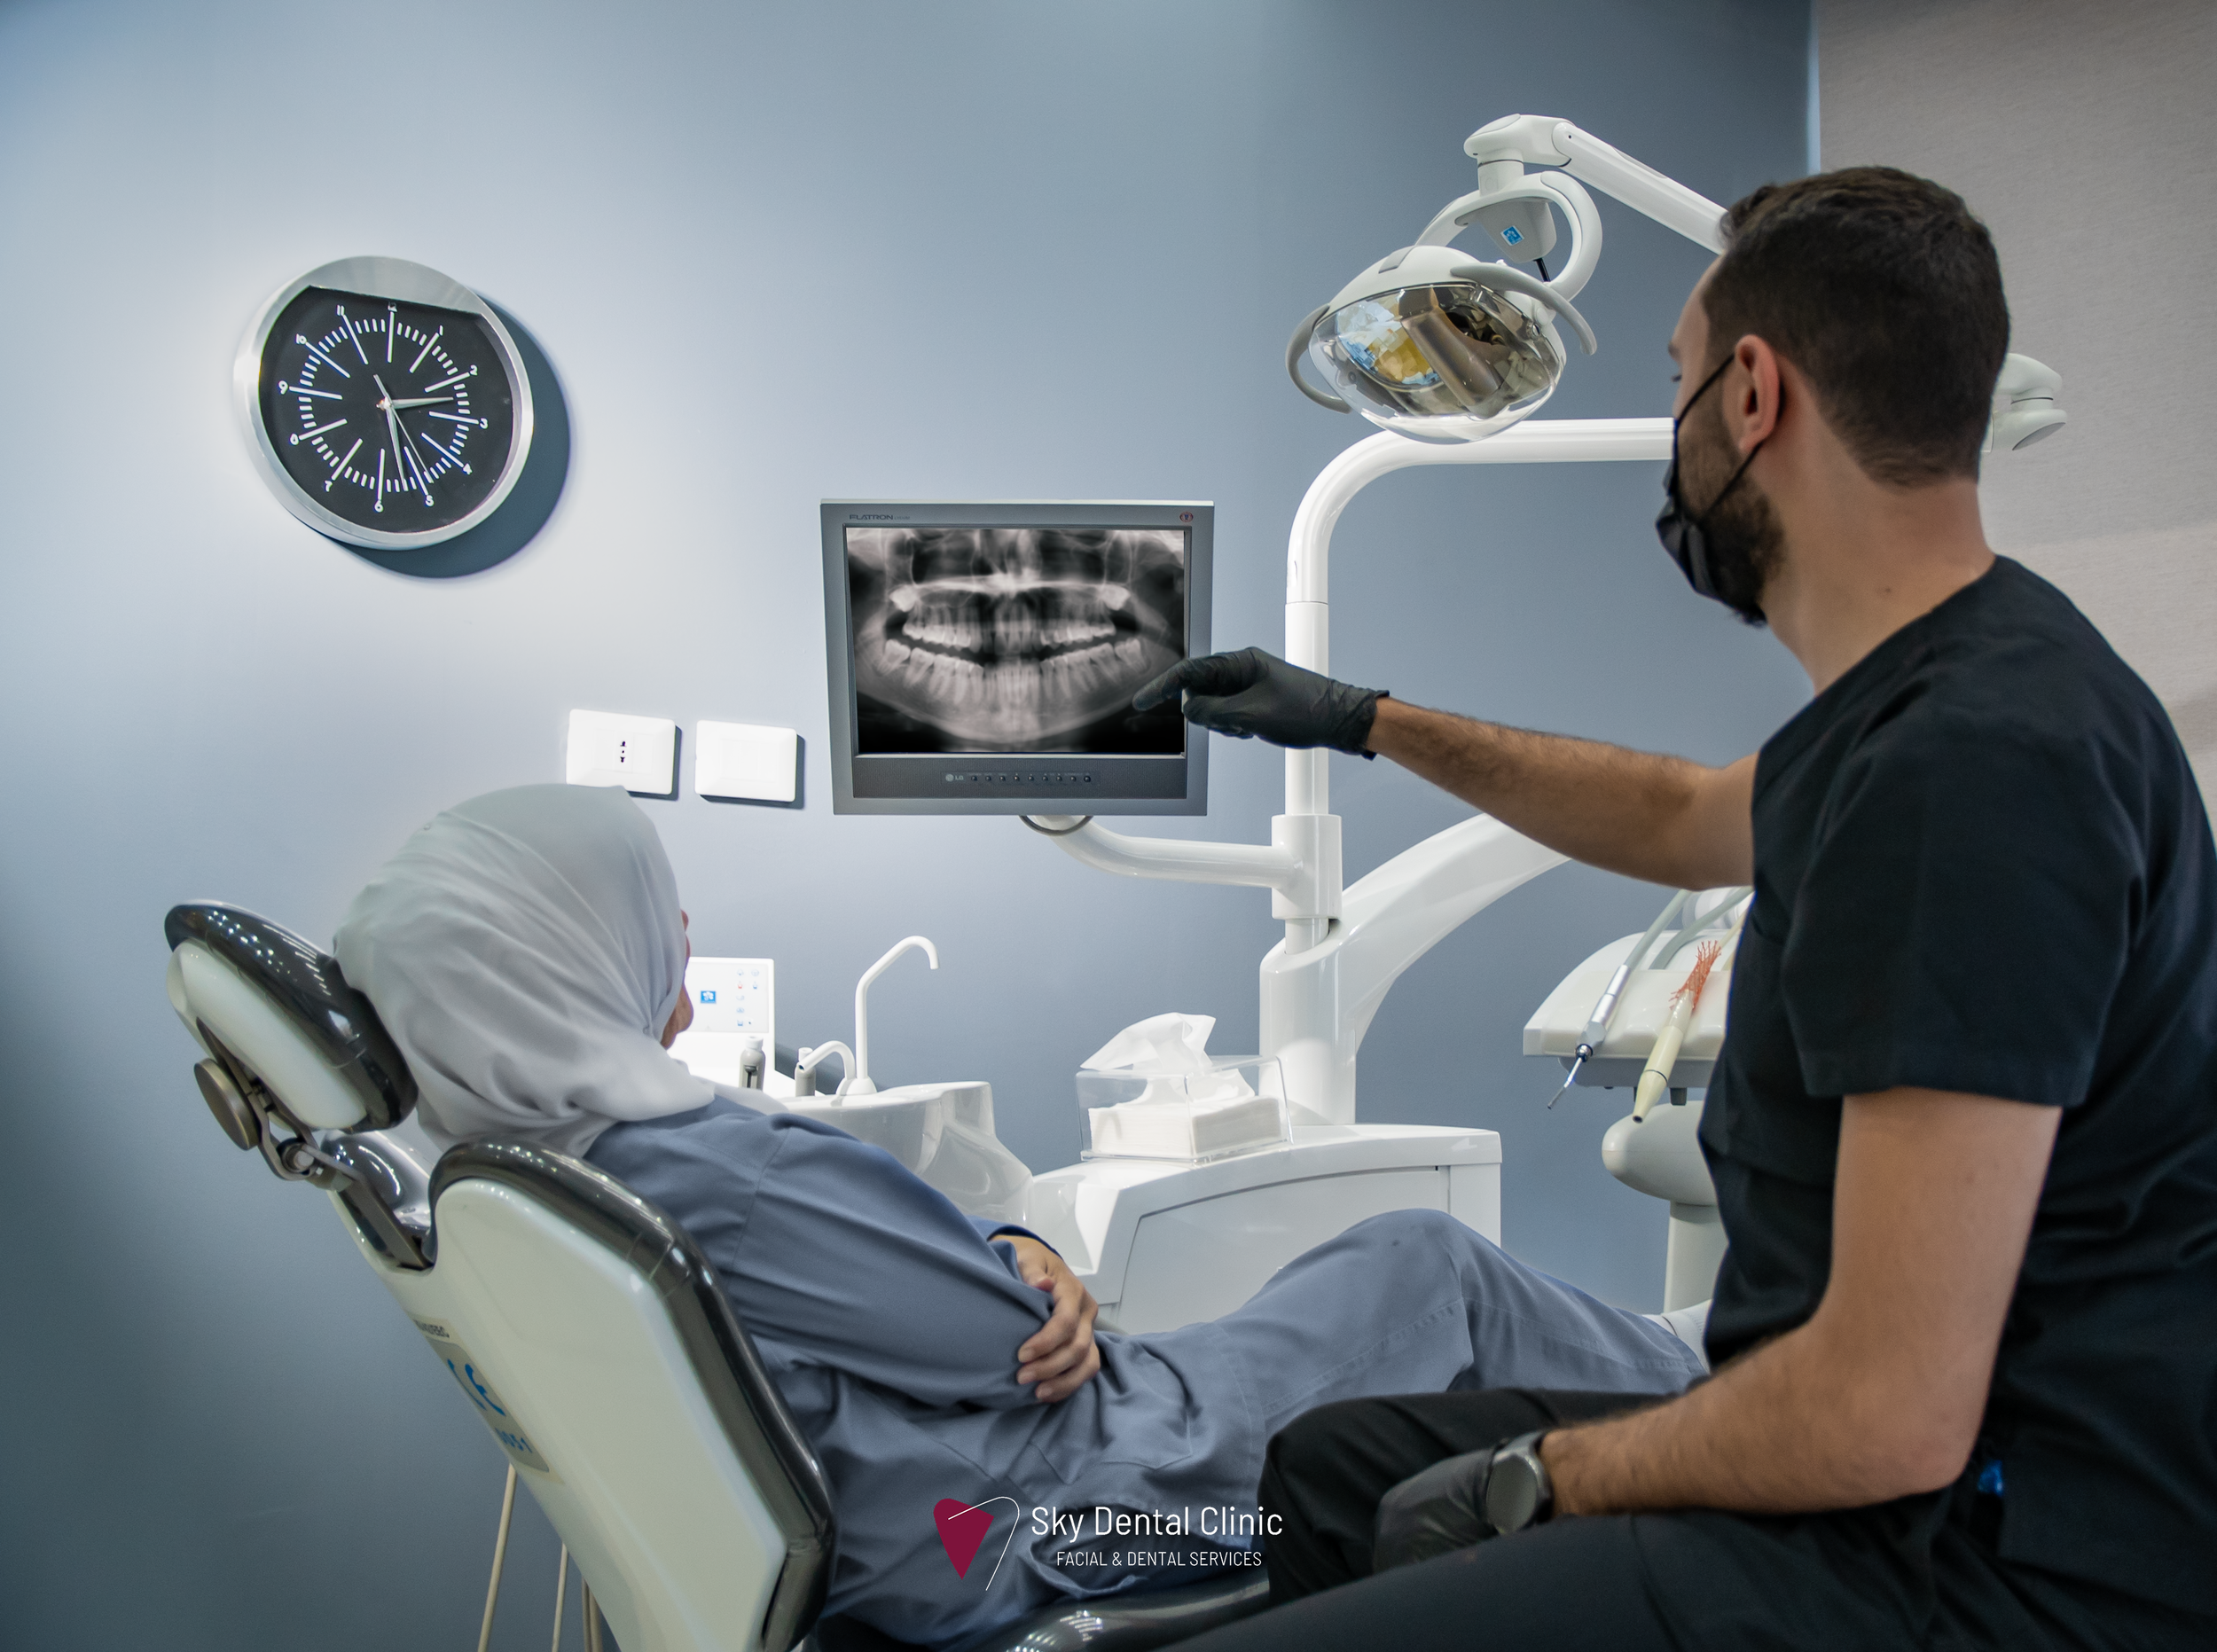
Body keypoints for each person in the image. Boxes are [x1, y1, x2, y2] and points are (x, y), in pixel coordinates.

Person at [1135, 168, 2217, 1650]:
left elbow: (1889, 1411)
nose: (1674, 433)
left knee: (1430, 1514)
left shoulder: (1970, 767)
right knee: (1334, 1471)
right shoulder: (1961, 671)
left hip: (1984, 1562)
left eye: (1676, 383)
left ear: (1754, 394)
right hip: (1916, 1481)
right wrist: (1361, 718)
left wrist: (1547, 1473)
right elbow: (1685, 815)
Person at [332, 782, 1704, 1651]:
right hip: (1049, 1497)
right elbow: (1013, 1343)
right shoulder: (710, 1167)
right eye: (649, 909)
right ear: (569, 950)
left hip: (910, 1531)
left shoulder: (526, 1183)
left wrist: (1014, 1251)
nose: (680, 926)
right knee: (1427, 1261)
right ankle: (1736, 1395)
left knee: (1353, 1281)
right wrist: (1021, 1256)